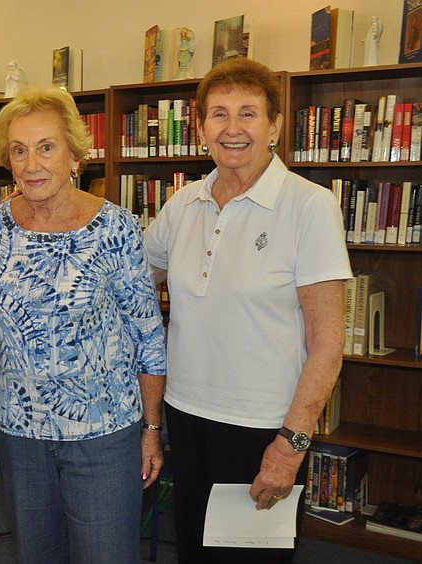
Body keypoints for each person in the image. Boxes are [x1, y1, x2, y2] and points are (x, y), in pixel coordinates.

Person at [142, 58, 352, 564]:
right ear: (199, 128)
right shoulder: (184, 204)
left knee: (250, 559)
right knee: (194, 552)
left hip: (264, 428)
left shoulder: (309, 206)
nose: (232, 128)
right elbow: (134, 282)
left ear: (275, 125)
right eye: (218, 114)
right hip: (188, 417)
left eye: (248, 113)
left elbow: (328, 343)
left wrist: (291, 443)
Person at [0, 87, 166, 563]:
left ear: (74, 152)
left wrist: (152, 428)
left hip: (103, 433)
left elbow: (147, 334)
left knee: (106, 555)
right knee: (37, 555)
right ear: (7, 161)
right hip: (18, 432)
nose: (31, 163)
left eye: (46, 147)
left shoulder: (115, 227)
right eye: (19, 150)